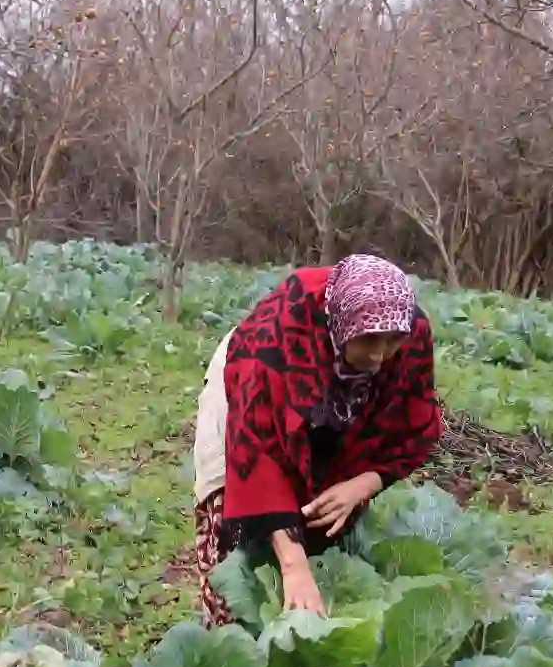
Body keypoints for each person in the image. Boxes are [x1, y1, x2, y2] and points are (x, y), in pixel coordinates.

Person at [190, 254, 443, 626]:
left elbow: (414, 428)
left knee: (324, 520)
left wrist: (362, 484)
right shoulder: (274, 344)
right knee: (233, 529)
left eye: (392, 342)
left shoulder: (408, 333)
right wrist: (293, 567)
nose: (379, 355)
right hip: (245, 388)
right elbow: (256, 452)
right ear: (340, 324)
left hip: (337, 401)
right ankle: (229, 632)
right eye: (369, 340)